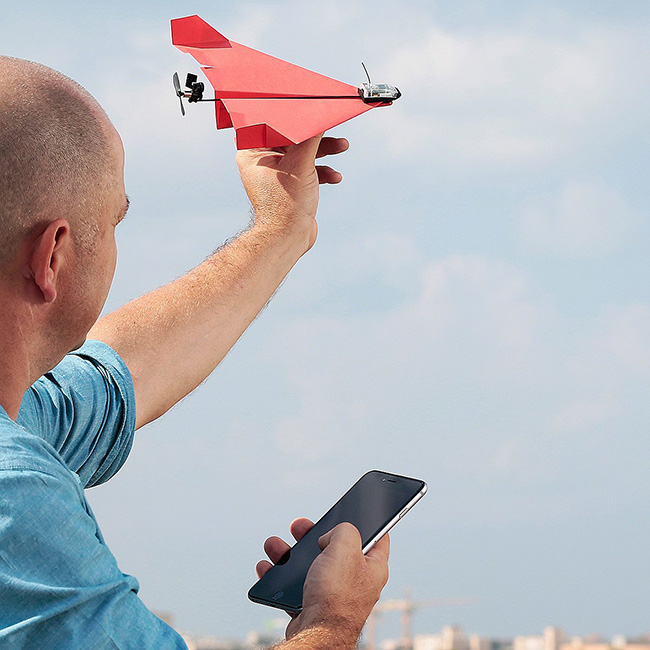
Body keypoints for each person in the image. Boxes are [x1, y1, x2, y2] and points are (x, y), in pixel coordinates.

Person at [0, 56, 389, 648]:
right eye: (112, 224)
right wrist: (332, 620)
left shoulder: (21, 423)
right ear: (53, 256)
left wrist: (281, 228)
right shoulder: (15, 495)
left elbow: (117, 378)